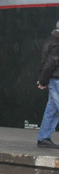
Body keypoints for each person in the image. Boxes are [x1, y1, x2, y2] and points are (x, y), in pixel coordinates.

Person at [36, 20, 59, 148]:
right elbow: (50, 64)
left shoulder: (51, 40)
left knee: (52, 110)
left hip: (53, 79)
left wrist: (43, 80)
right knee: (53, 110)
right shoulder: (57, 43)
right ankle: (43, 138)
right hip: (56, 80)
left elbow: (46, 63)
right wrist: (43, 81)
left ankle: (43, 138)